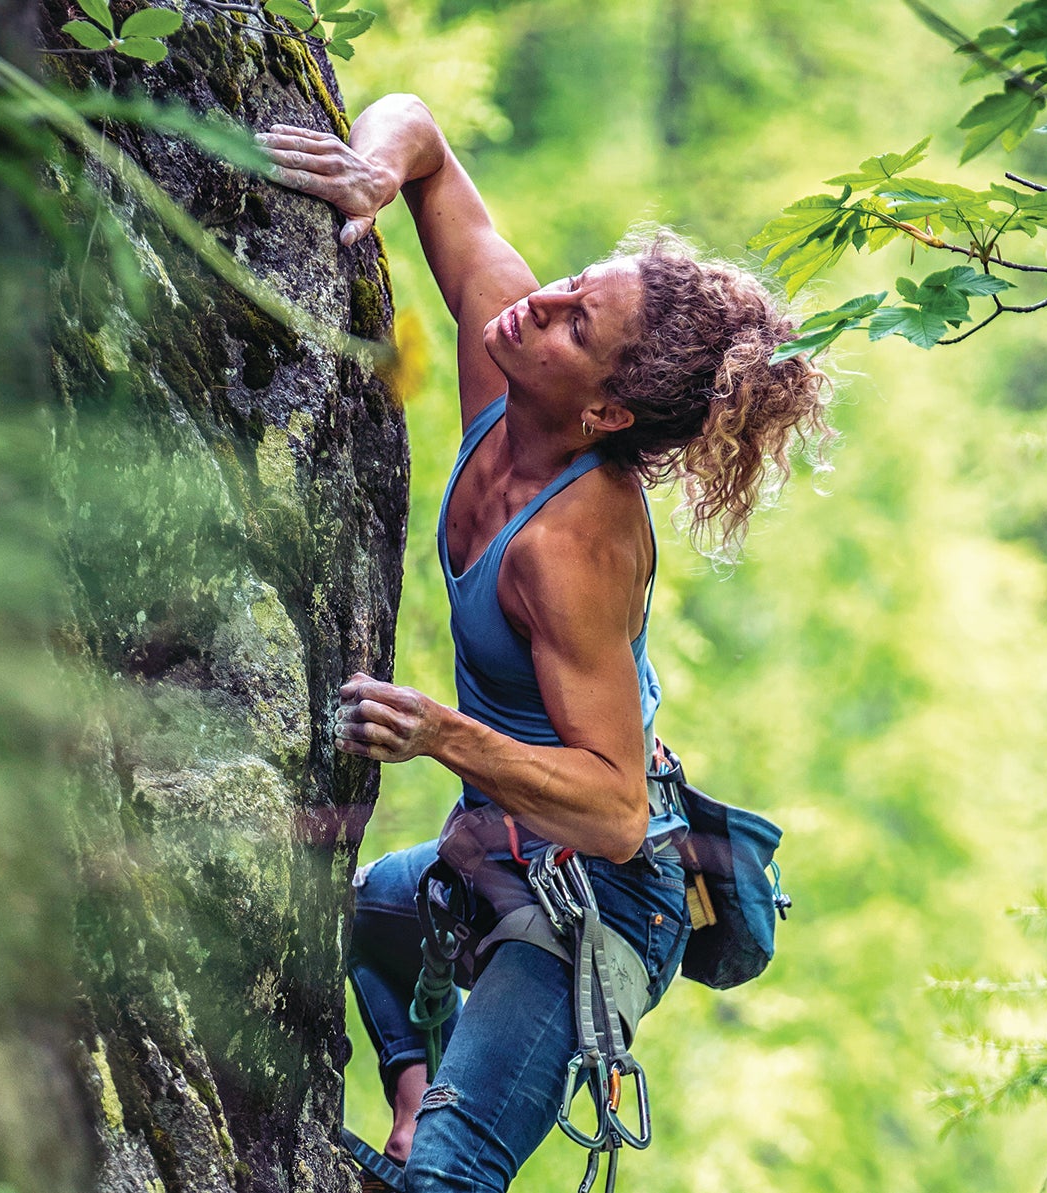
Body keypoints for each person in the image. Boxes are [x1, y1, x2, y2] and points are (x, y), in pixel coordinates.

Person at [259, 94, 832, 1193]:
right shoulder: (509, 350)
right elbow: (418, 130)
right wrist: (372, 171)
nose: (547, 303)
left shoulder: (572, 546)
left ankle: (429, 1142)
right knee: (366, 918)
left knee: (453, 1175)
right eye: (575, 283)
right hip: (511, 846)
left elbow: (615, 809)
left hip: (605, 898)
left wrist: (439, 732)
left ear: (610, 413)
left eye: (577, 323)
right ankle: (414, 1101)